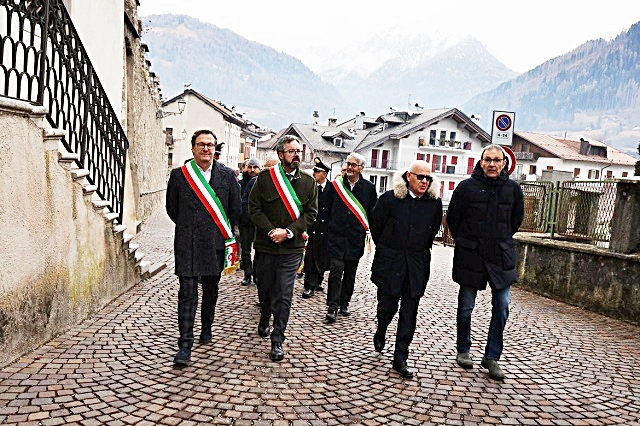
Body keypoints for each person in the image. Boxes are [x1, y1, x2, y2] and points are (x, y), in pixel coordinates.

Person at [446, 144, 524, 381]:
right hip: (472, 255)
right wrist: (466, 241)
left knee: (502, 306)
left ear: (504, 163)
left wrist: (499, 239)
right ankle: (464, 350)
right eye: (487, 160)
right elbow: (453, 218)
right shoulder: (466, 187)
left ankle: (492, 357)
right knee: (466, 307)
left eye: (496, 160)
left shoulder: (513, 190)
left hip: (501, 256)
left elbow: (515, 221)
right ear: (480, 163)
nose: (492, 164)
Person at [166, 130, 241, 366]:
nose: (206, 149)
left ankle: (206, 326)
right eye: (201, 145)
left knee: (211, 288)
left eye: (210, 145)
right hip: (187, 242)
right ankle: (185, 344)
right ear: (193, 148)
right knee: (187, 291)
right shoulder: (180, 175)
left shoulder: (228, 176)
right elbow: (172, 208)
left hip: (214, 243)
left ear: (215, 149)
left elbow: (234, 210)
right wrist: (190, 225)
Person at [370, 160, 442, 379]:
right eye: (420, 177)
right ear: (409, 176)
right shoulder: (390, 199)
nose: (424, 181)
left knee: (410, 312)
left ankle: (400, 356)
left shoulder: (434, 203)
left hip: (416, 264)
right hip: (391, 261)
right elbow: (376, 226)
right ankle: (381, 328)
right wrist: (387, 248)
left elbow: (432, 231)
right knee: (386, 306)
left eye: (428, 178)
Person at [249, 135, 318, 361]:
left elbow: (311, 213)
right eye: (291, 151)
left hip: (292, 248)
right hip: (266, 246)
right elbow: (254, 208)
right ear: (281, 155)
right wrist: (271, 231)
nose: (296, 155)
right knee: (265, 289)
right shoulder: (266, 178)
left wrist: (288, 232)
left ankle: (278, 339)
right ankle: (264, 316)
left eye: (299, 151)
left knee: (285, 294)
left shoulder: (308, 182)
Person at [325, 153, 377, 323]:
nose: (349, 168)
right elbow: (325, 209)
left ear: (361, 168)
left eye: (353, 165)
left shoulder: (369, 188)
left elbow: (372, 213)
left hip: (355, 239)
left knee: (350, 273)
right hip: (336, 237)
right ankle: (332, 307)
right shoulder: (335, 186)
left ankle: (344, 302)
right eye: (348, 164)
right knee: (335, 272)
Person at [301, 157, 332, 299]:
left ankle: (318, 280)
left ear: (324, 174)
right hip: (312, 228)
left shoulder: (332, 189)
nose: (314, 174)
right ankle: (309, 286)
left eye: (317, 172)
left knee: (322, 257)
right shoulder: (310, 187)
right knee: (311, 258)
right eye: (314, 171)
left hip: (325, 230)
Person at [238, 158, 262, 286]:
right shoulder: (240, 183)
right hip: (245, 222)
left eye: (255, 167)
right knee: (246, 250)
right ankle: (247, 274)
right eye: (250, 167)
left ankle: (257, 275)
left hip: (259, 223)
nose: (252, 170)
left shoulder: (262, 182)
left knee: (258, 250)